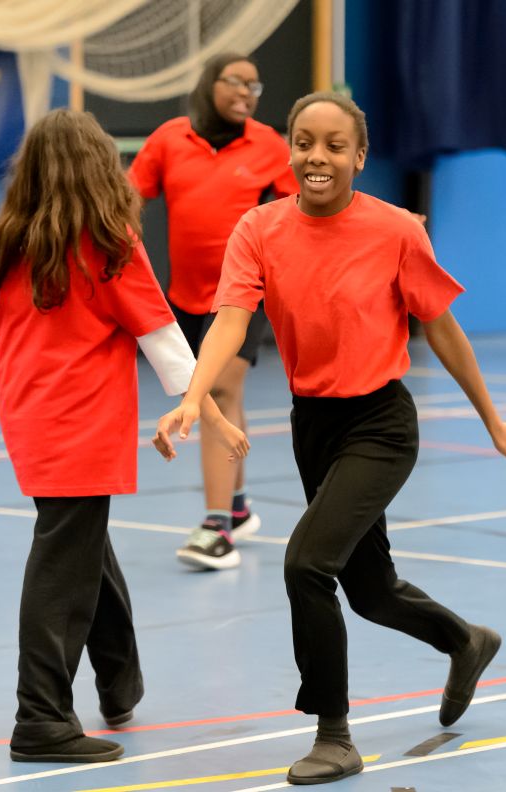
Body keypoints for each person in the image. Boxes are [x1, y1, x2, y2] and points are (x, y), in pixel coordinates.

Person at [154, 92, 506, 785]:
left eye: (335, 146)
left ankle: (334, 735)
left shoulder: (395, 230)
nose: (317, 157)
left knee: (307, 564)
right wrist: (193, 397)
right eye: (304, 142)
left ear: (360, 157)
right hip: (315, 425)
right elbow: (232, 319)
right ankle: (465, 641)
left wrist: (493, 420)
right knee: (369, 590)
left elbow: (442, 329)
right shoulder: (259, 229)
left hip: (380, 425)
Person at [0, 109, 246, 763]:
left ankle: (120, 682)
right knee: (64, 559)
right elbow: (162, 337)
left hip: (28, 417)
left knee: (84, 541)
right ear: (99, 168)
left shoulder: (9, 237)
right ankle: (41, 718)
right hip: (84, 422)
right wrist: (211, 409)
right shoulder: (111, 242)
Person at [130, 52, 296, 571]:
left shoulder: (269, 145)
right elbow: (129, 197)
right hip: (185, 294)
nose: (247, 91)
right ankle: (240, 508)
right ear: (210, 83)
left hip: (247, 294)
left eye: (255, 84)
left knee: (217, 392)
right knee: (226, 397)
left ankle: (215, 527)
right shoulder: (169, 139)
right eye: (237, 81)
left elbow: (300, 214)